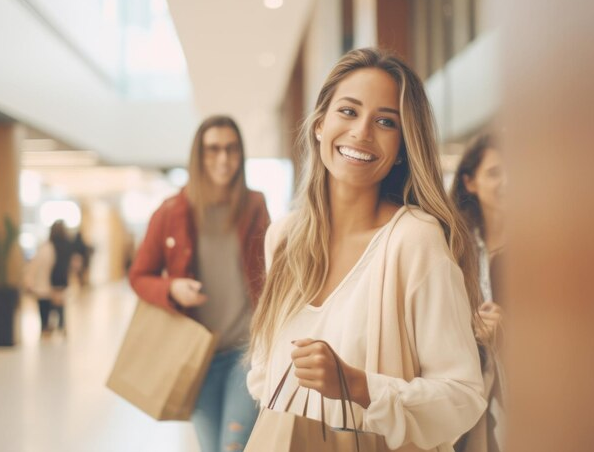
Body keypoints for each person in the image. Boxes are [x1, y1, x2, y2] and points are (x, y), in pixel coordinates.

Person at [246, 48, 486, 452]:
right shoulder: (283, 237)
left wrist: (357, 385)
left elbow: (462, 397)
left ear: (402, 147)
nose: (361, 132)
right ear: (320, 124)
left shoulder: (414, 241)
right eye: (349, 111)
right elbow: (262, 371)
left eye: (385, 121)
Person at [129, 115, 270, 452]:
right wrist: (171, 289)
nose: (223, 159)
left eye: (231, 149)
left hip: (245, 353)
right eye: (213, 150)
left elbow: (273, 271)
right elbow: (138, 276)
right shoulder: (172, 212)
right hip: (196, 356)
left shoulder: (254, 205)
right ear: (199, 155)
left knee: (233, 447)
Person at [450, 134, 507, 452]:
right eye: (495, 172)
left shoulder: (542, 242)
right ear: (470, 182)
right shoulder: (454, 245)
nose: (510, 181)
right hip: (464, 391)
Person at [26, 220, 72, 335]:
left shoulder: (46, 248)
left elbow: (35, 266)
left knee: (45, 312)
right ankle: (59, 327)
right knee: (58, 309)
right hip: (54, 285)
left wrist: (30, 281)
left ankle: (47, 329)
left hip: (44, 286)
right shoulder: (62, 249)